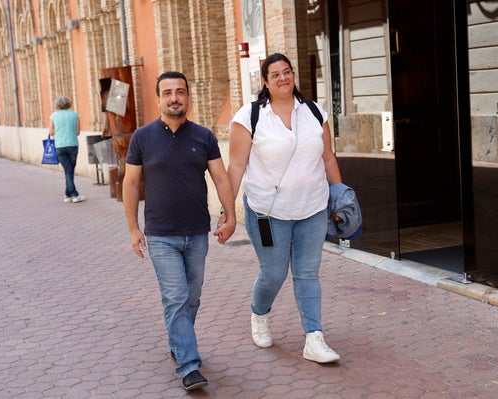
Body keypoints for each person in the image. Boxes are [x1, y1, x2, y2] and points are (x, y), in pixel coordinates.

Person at [122, 71, 236, 391]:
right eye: (168, 92)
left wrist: (231, 215)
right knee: (176, 297)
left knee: (192, 299)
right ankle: (189, 365)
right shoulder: (142, 138)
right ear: (158, 99)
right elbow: (131, 184)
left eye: (181, 92)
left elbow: (221, 178)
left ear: (188, 97)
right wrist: (133, 229)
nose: (175, 97)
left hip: (197, 233)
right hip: (160, 235)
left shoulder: (204, 136)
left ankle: (178, 341)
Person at [226, 53, 342, 363]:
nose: (282, 78)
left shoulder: (315, 112)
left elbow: (328, 158)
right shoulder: (249, 116)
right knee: (274, 273)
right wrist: (227, 211)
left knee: (307, 273)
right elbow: (236, 166)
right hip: (266, 212)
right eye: (275, 74)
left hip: (313, 208)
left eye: (287, 72)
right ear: (265, 81)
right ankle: (259, 314)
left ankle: (314, 338)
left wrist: (340, 195)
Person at [49, 96, 86, 203]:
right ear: (68, 104)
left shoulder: (53, 116)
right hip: (72, 145)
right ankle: (74, 194)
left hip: (59, 146)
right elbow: (78, 132)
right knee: (69, 170)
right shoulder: (75, 115)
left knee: (68, 170)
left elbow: (51, 132)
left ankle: (67, 194)